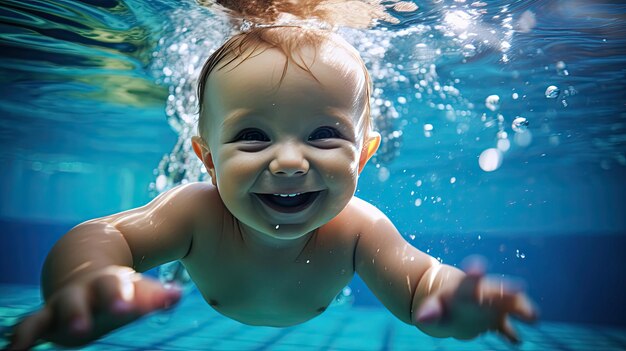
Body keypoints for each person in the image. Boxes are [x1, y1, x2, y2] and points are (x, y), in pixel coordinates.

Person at [7, 15, 537, 351]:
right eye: (253, 136)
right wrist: (87, 277)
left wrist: (453, 303)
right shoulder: (195, 210)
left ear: (364, 155)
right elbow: (103, 235)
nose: (288, 162)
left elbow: (422, 284)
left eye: (325, 134)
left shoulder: (359, 229)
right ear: (208, 159)